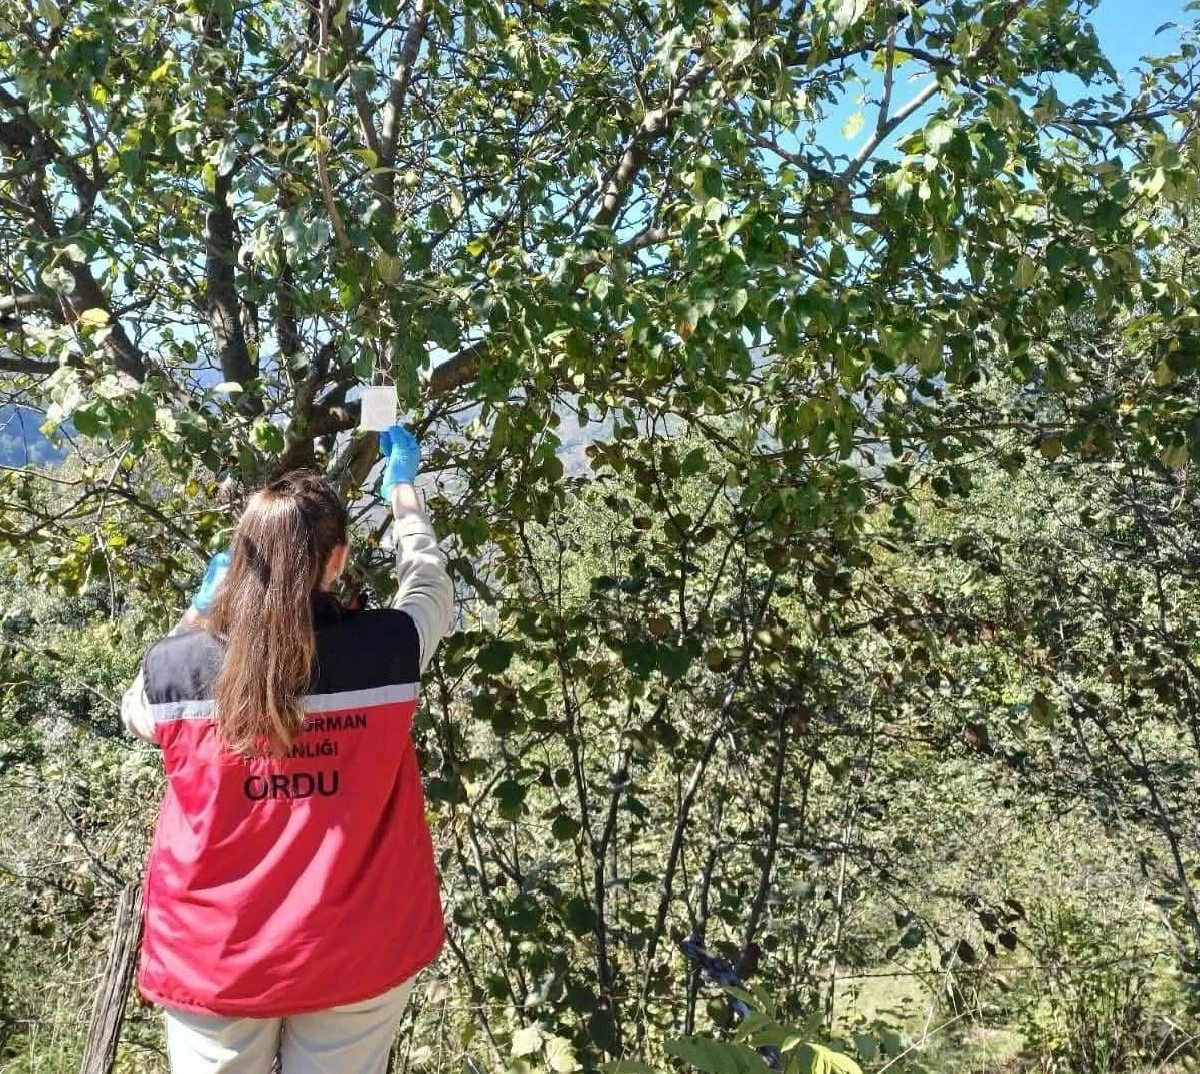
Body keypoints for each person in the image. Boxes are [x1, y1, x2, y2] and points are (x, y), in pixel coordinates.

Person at [120, 425, 453, 1074]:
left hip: (215, 955)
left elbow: (135, 709)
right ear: (337, 560)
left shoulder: (177, 670)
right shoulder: (388, 650)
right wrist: (404, 491)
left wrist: (197, 613)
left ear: (240, 561)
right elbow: (429, 584)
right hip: (356, 948)